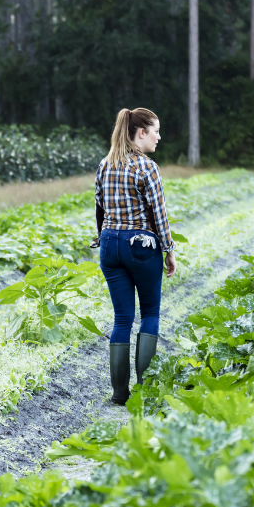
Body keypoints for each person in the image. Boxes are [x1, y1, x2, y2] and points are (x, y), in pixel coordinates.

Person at [91, 108, 178, 405]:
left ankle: (119, 393)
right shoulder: (146, 167)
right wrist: (168, 249)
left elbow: (100, 206)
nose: (159, 137)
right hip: (140, 243)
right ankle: (144, 390)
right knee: (150, 314)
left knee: (122, 318)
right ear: (141, 132)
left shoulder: (105, 164)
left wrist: (104, 235)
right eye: (155, 131)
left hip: (109, 244)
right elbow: (158, 211)